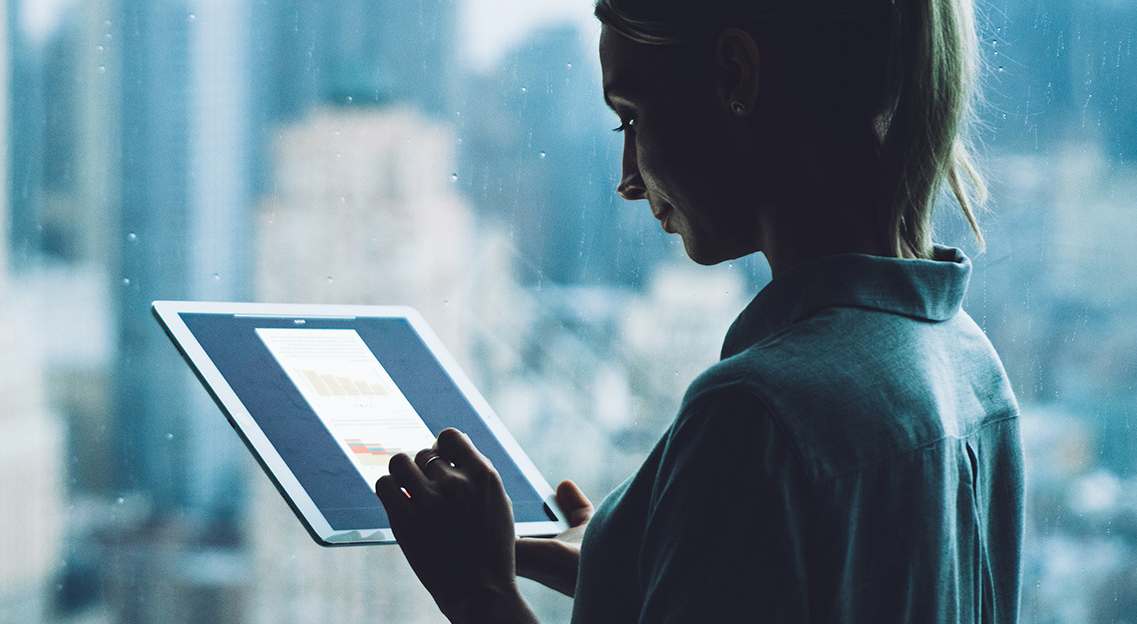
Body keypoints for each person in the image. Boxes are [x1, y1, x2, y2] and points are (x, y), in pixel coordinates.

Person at [374, 0, 1022, 621]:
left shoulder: (755, 418)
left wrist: (483, 596)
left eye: (631, 118)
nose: (628, 179)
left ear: (734, 75)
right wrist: (644, 565)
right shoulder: (974, 371)